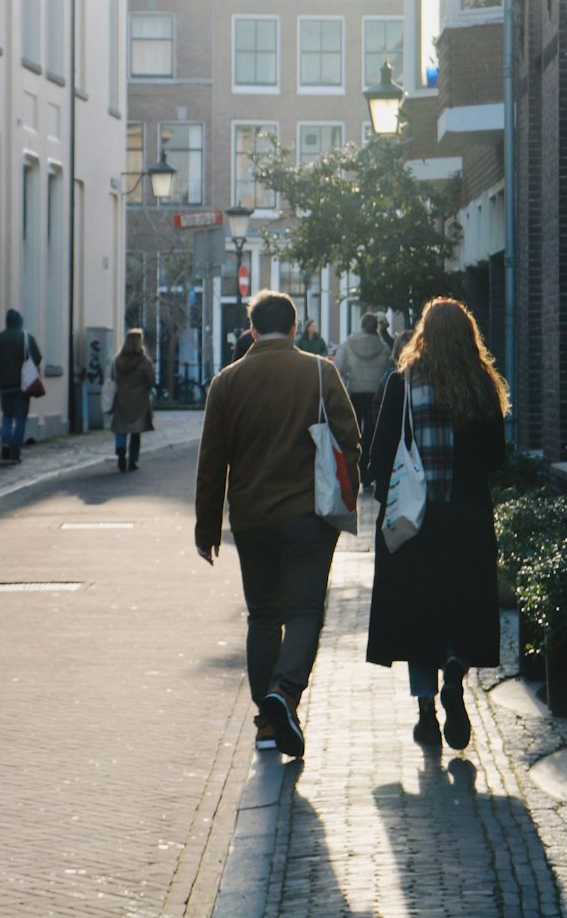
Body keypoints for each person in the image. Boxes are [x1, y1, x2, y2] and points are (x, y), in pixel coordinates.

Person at [195, 289, 360, 759]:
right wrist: (344, 491)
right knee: (305, 612)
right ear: (293, 328)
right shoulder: (318, 371)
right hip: (309, 516)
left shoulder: (227, 382)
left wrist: (207, 529)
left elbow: (212, 463)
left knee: (263, 614)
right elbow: (350, 439)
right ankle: (284, 694)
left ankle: (268, 722)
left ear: (251, 330)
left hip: (251, 519)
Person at [366, 298, 508, 752]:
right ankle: (455, 671)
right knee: (463, 606)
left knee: (418, 614)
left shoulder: (402, 384)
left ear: (424, 335)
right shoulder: (483, 386)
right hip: (465, 519)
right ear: (469, 337)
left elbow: (378, 457)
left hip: (415, 521)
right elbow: (495, 460)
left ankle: (426, 714)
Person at [334, 313, 391, 483]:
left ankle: (354, 469)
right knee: (372, 433)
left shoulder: (348, 345)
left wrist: (346, 384)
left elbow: (337, 368)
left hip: (355, 393)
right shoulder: (384, 348)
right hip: (375, 395)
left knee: (353, 432)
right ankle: (368, 471)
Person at [0, 308, 42, 464]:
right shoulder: (26, 338)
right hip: (22, 386)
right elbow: (38, 357)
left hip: (4, 386)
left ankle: (6, 442)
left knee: (7, 416)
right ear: (19, 322)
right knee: (21, 419)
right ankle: (15, 452)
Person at [110, 328, 155, 472]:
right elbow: (151, 381)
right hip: (139, 400)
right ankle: (133, 460)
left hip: (121, 398)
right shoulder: (144, 362)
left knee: (121, 428)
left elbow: (112, 378)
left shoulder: (117, 361)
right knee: (136, 431)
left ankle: (120, 448)